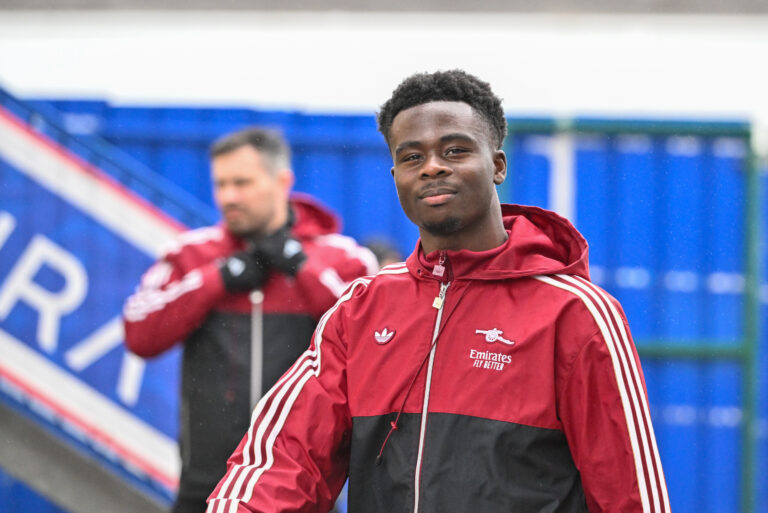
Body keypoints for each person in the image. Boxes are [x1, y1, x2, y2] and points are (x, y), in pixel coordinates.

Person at [206, 71, 670, 513]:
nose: (431, 168)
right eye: (412, 157)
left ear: (498, 165)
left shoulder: (576, 313)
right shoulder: (361, 309)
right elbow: (283, 457)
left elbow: (630, 494)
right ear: (396, 178)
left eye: (455, 150)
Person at [122, 127, 378, 513]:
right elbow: (140, 335)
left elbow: (372, 341)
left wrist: (299, 267)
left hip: (303, 486)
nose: (228, 197)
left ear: (282, 181)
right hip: (205, 484)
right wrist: (219, 277)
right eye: (221, 184)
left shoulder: (344, 258)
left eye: (242, 183)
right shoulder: (191, 254)